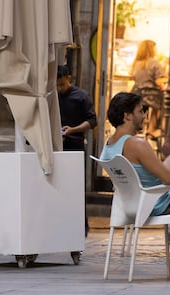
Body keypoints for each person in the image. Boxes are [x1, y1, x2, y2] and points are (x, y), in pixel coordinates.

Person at [99, 92, 170, 218]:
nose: (144, 116)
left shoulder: (109, 145)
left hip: (132, 204)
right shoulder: (137, 144)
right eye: (141, 111)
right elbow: (168, 179)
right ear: (127, 116)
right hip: (159, 202)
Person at [57, 65, 98, 237]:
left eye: (62, 84)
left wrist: (73, 130)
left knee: (76, 188)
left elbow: (92, 121)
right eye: (57, 85)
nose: (60, 88)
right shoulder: (51, 97)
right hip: (57, 146)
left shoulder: (81, 96)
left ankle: (82, 226)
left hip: (75, 146)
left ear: (69, 78)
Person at [130, 40, 167, 139]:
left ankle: (139, 127)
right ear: (151, 49)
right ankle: (152, 129)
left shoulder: (136, 63)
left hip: (137, 94)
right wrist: (166, 78)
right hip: (151, 95)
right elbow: (159, 81)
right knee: (162, 103)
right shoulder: (154, 63)